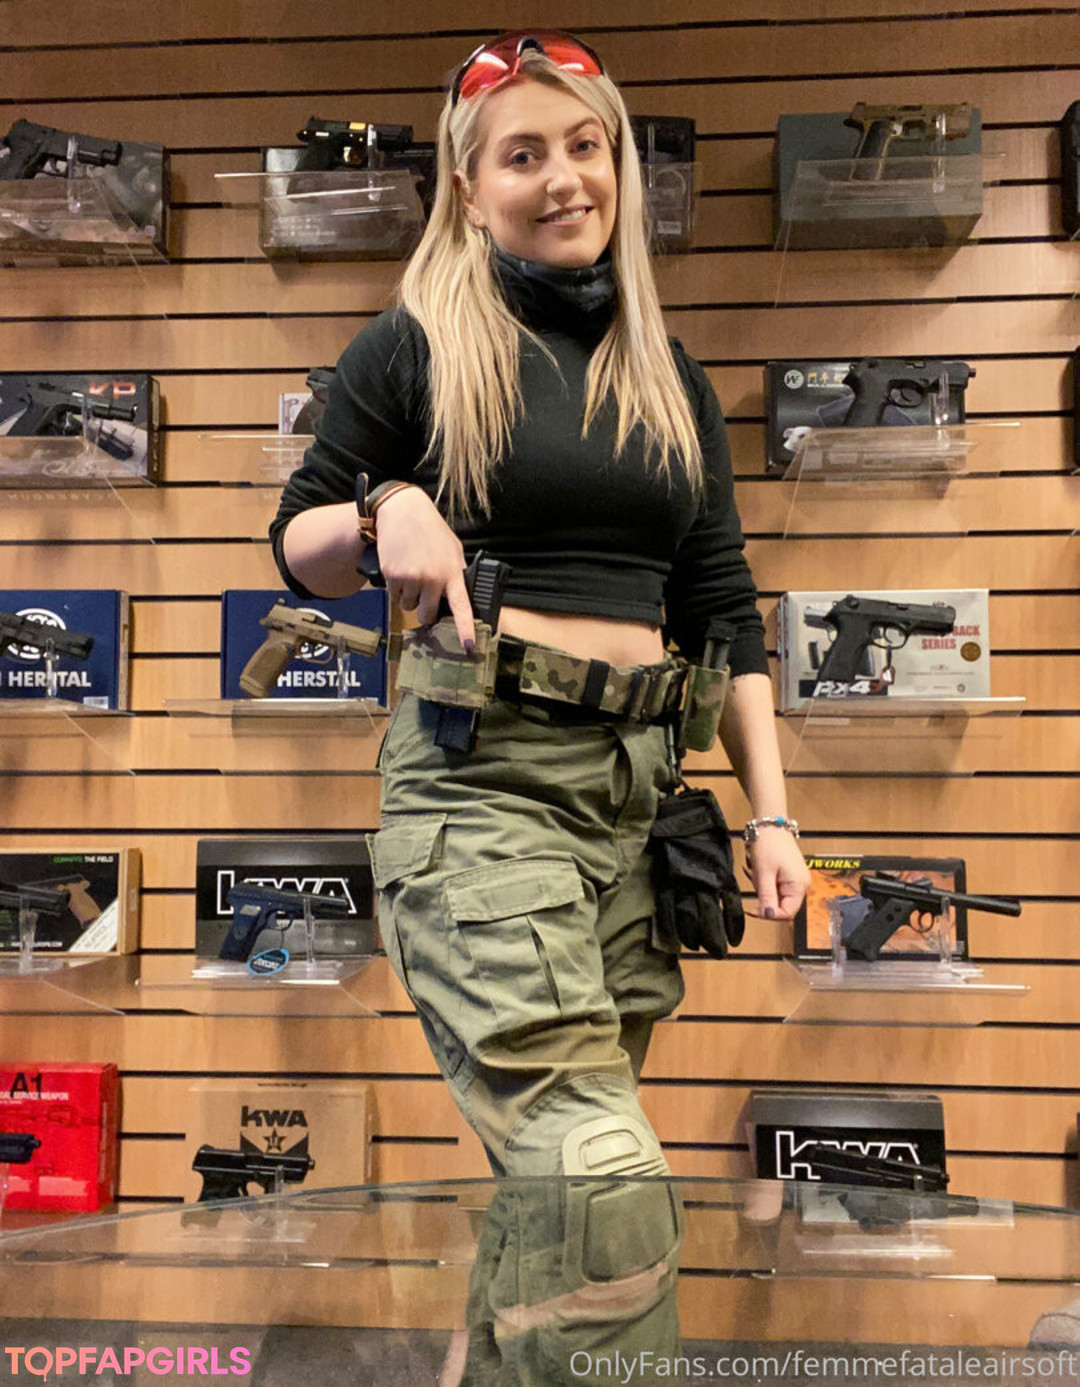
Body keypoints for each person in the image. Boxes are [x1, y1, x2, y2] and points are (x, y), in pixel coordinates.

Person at [270, 30, 809, 1380]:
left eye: (586, 145)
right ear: (469, 188)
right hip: (483, 787)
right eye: (524, 154)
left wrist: (774, 814)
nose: (564, 177)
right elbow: (296, 542)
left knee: (551, 1205)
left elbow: (724, 606)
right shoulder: (416, 347)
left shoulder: (668, 376)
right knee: (600, 1179)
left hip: (635, 807)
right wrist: (385, 510)